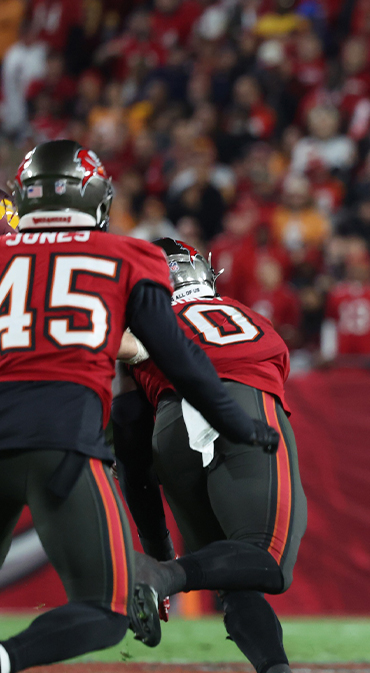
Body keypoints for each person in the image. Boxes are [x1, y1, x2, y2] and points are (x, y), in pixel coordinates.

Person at [0, 139, 278, 672]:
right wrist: (233, 421)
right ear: (97, 198)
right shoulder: (128, 255)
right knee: (103, 610)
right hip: (62, 442)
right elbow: (179, 356)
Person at [113, 238, 304, 673]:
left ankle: (275, 668)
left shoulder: (142, 326)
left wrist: (157, 550)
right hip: (241, 407)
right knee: (268, 563)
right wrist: (162, 573)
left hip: (171, 429)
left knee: (233, 577)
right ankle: (164, 576)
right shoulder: (244, 312)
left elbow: (127, 430)